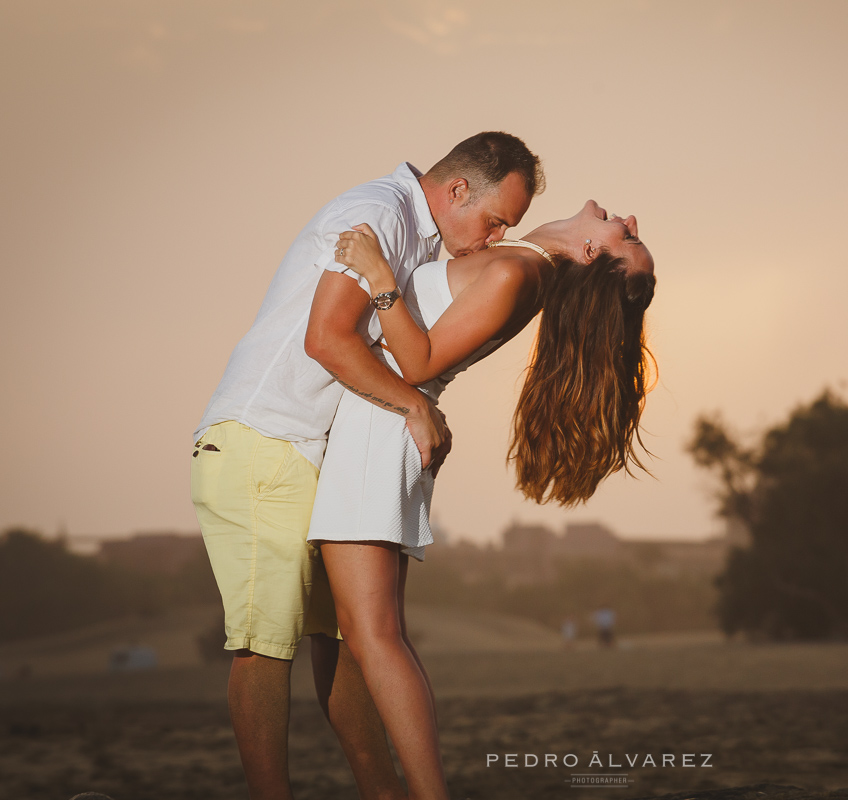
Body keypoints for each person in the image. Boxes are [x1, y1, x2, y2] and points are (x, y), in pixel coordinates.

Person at [190, 131, 543, 800]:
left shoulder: (417, 230)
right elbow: (327, 337)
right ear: (458, 189)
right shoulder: (380, 214)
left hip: (310, 451)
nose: (490, 239)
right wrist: (416, 406)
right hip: (263, 439)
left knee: (347, 642)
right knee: (266, 645)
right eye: (495, 220)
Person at [307, 199, 655, 800]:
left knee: (374, 637)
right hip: (379, 429)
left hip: (378, 432)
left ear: (594, 251)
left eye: (626, 234)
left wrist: (380, 276)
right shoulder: (517, 263)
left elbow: (414, 363)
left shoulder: (515, 274)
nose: (627, 216)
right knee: (352, 636)